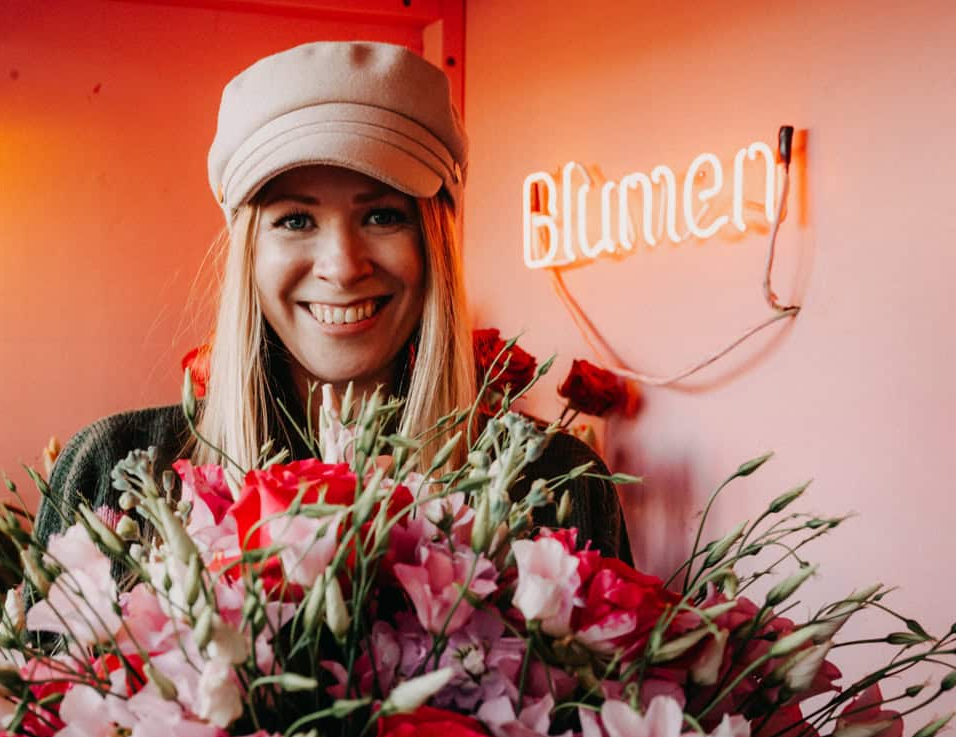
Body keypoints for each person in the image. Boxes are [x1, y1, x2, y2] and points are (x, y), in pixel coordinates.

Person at [35, 40, 630, 561]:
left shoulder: (554, 481)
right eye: (296, 219)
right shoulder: (113, 473)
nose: (343, 266)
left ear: (434, 244)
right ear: (248, 252)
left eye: (382, 215)